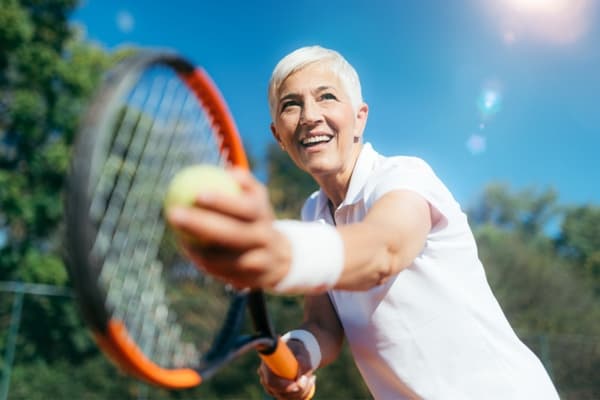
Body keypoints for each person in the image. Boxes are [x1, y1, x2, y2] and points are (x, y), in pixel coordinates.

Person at [166, 46, 560, 399]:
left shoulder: (403, 176)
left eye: (327, 97)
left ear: (359, 119)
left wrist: (279, 251)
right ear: (279, 136)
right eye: (291, 104)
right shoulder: (311, 214)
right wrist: (301, 352)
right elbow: (324, 324)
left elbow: (383, 251)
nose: (310, 116)